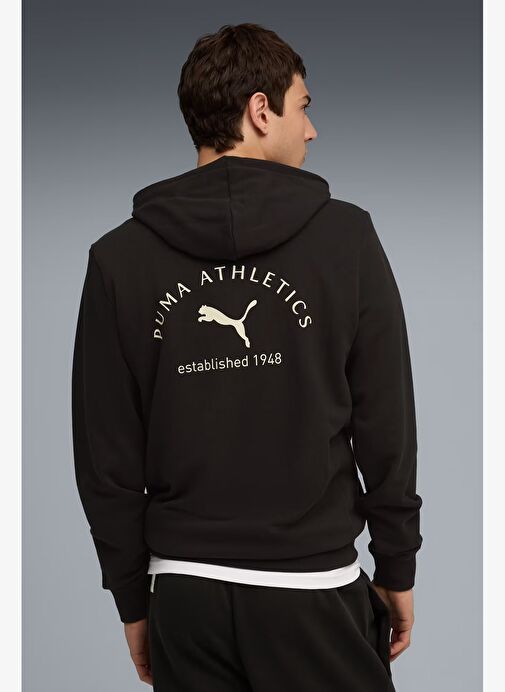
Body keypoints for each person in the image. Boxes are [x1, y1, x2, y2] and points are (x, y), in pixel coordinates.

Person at [71, 22, 423, 691]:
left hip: (186, 600)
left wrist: (134, 600)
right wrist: (397, 564)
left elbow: (105, 456)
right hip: (311, 591)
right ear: (261, 111)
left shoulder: (118, 259)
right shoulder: (346, 238)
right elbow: (387, 423)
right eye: (303, 107)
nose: (311, 130)